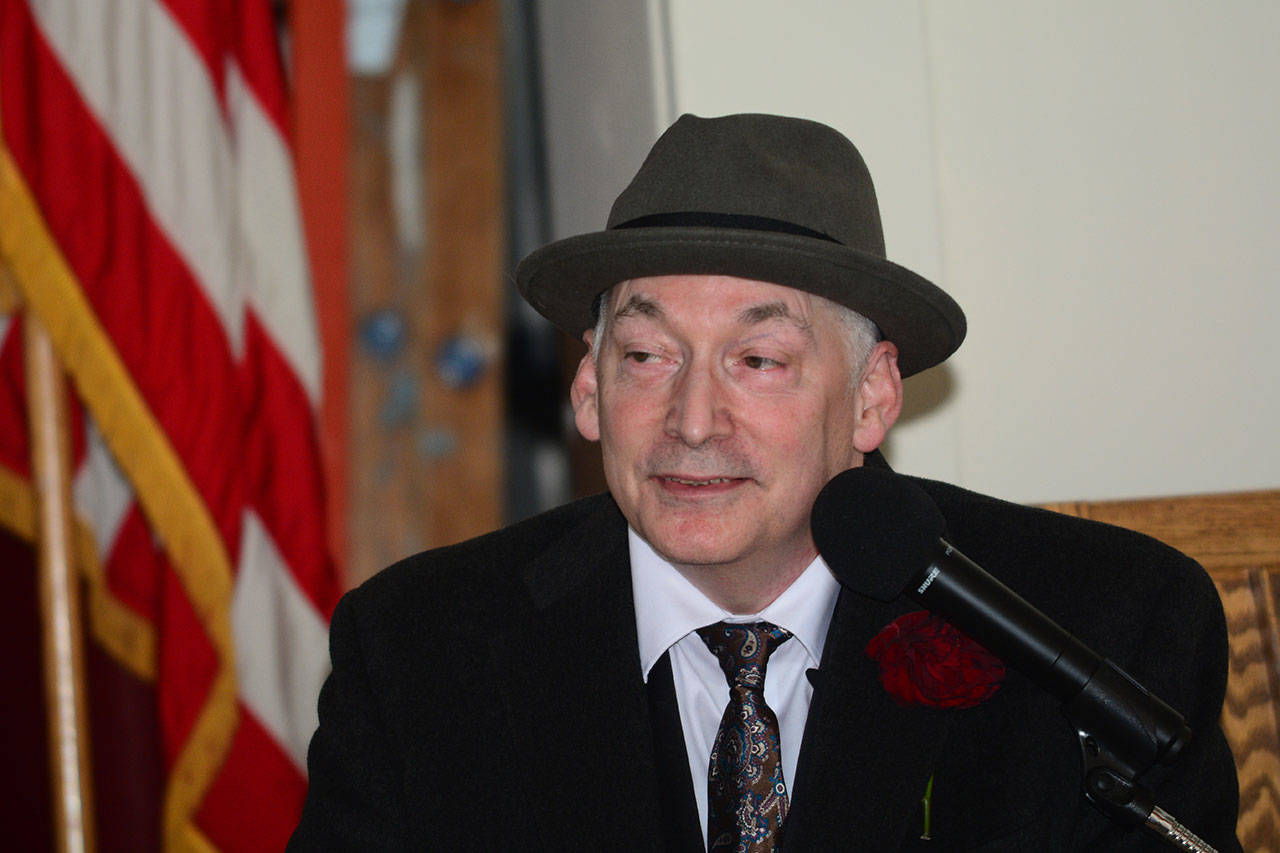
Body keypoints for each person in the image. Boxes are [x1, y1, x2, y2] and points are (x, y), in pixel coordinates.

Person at [290, 113, 1240, 850]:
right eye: (648, 354)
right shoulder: (420, 654)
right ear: (588, 387)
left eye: (759, 360)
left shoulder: (1106, 624)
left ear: (871, 397)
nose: (692, 422)